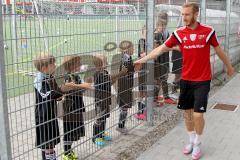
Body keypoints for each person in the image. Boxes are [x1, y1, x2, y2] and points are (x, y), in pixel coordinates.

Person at [134, 2, 234, 160]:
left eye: (187, 14)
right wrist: (142, 60)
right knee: (187, 114)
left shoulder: (208, 32)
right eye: (182, 14)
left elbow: (219, 49)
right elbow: (160, 49)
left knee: (198, 115)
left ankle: (198, 143)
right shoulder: (179, 33)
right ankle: (191, 140)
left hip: (203, 80)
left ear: (196, 14)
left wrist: (229, 66)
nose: (184, 17)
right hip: (186, 79)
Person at [61, 55, 93, 160]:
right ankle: (66, 152)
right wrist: (84, 86)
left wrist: (86, 85)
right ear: (71, 66)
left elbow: (80, 90)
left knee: (74, 129)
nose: (80, 65)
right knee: (69, 130)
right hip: (70, 108)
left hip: (78, 105)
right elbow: (69, 88)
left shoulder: (77, 76)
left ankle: (69, 150)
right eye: (78, 63)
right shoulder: (67, 77)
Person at [92, 54, 127, 146]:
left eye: (106, 61)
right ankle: (96, 137)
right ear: (98, 64)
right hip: (100, 101)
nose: (107, 63)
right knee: (99, 118)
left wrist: (114, 80)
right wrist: (120, 73)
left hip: (106, 99)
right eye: (104, 61)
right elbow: (107, 79)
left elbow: (109, 81)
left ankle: (102, 133)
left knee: (104, 118)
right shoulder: (97, 74)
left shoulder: (105, 72)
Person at [33, 54, 63, 160]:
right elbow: (46, 94)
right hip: (43, 116)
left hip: (51, 114)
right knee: (48, 143)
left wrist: (60, 93)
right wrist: (63, 90)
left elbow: (58, 96)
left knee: (50, 142)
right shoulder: (39, 80)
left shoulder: (50, 76)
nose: (55, 65)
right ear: (44, 68)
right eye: (53, 64)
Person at [153, 12, 177, 105]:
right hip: (158, 61)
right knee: (158, 80)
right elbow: (158, 48)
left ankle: (165, 97)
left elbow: (167, 46)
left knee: (164, 78)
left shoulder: (166, 32)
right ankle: (155, 99)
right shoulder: (156, 34)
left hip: (165, 59)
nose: (163, 26)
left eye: (164, 24)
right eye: (161, 24)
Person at [116, 40, 135, 135]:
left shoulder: (128, 57)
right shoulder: (124, 59)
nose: (134, 49)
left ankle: (121, 125)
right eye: (132, 48)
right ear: (127, 49)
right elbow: (126, 72)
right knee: (124, 106)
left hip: (127, 86)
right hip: (124, 87)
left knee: (125, 107)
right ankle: (120, 126)